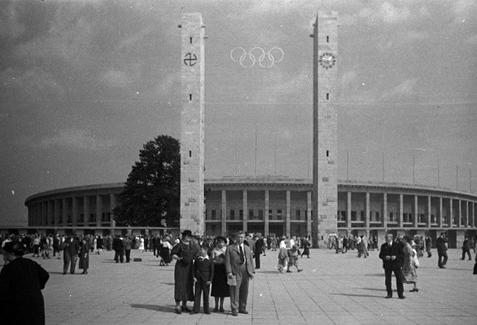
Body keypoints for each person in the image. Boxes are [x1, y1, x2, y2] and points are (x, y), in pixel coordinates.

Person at [0, 240, 49, 325]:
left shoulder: (8, 269)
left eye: (4, 254)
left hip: (18, 308)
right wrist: (37, 286)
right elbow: (45, 275)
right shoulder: (30, 263)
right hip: (35, 304)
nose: (3, 257)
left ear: (10, 254)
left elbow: (2, 291)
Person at [225, 231, 255, 316]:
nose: (240, 239)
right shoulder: (230, 248)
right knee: (234, 290)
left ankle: (242, 307)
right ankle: (235, 308)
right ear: (235, 238)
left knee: (244, 290)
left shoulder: (247, 248)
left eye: (242, 237)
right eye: (238, 237)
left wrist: (252, 271)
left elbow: (250, 260)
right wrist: (229, 272)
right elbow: (227, 261)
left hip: (245, 271)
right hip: (235, 271)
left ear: (244, 238)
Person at [171, 230, 200, 314]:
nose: (189, 238)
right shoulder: (179, 245)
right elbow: (173, 254)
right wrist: (179, 258)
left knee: (188, 285)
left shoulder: (192, 246)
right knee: (179, 285)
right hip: (180, 267)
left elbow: (197, 254)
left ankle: (184, 305)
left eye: (190, 236)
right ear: (184, 236)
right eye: (187, 236)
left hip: (190, 268)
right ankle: (177, 305)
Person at [379, 233, 405, 299]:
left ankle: (400, 294)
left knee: (399, 279)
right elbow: (380, 255)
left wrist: (396, 257)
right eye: (385, 237)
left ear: (391, 238)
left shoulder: (397, 245)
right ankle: (389, 294)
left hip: (396, 265)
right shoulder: (383, 245)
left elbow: (402, 254)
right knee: (388, 280)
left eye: (387, 237)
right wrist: (385, 257)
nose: (386, 239)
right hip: (387, 265)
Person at [191, 246, 214, 314]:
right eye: (200, 250)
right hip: (198, 279)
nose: (201, 251)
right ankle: (196, 309)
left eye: (202, 250)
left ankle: (206, 310)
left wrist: (210, 280)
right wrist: (194, 277)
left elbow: (212, 271)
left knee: (206, 295)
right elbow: (194, 269)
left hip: (206, 279)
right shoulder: (197, 259)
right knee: (197, 294)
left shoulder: (210, 259)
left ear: (206, 251)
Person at [211, 236, 229, 312]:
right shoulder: (214, 250)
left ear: (225, 243)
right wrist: (216, 261)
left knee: (223, 290)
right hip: (216, 270)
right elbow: (211, 260)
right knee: (216, 290)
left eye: (222, 242)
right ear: (217, 243)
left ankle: (221, 306)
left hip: (224, 271)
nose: (220, 244)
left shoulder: (227, 250)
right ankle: (216, 306)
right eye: (219, 242)